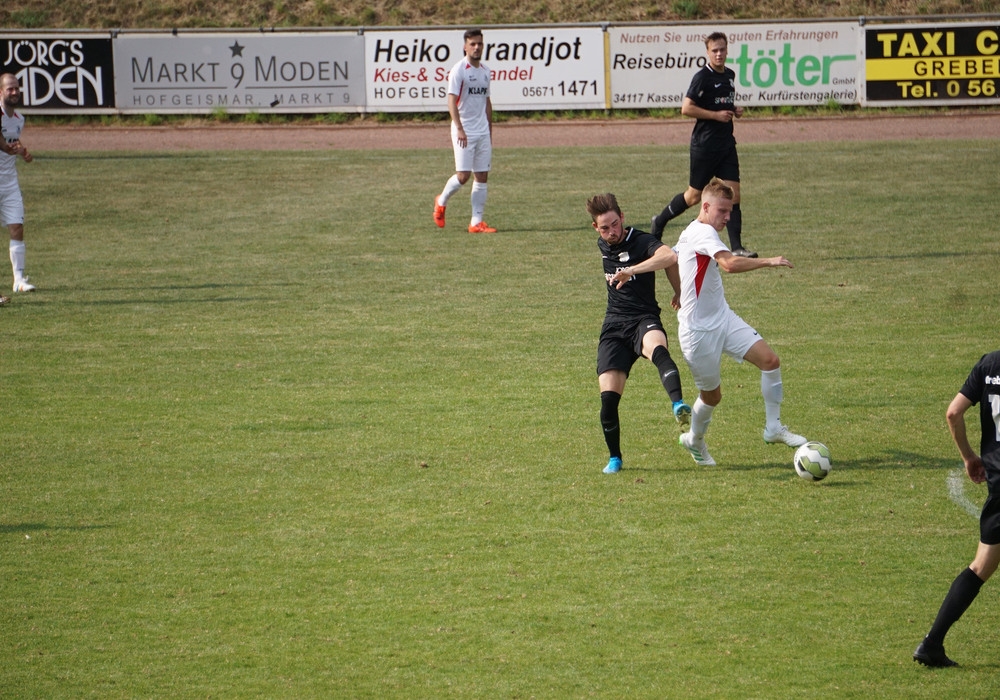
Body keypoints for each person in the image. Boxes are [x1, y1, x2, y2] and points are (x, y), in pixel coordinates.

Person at [668, 178, 804, 467]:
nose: (728, 217)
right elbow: (729, 264)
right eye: (722, 211)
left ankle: (773, 428)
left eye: (730, 211)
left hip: (723, 318)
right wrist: (769, 261)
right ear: (705, 207)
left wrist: (680, 290)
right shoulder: (703, 232)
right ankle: (695, 440)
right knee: (712, 396)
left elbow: (672, 258)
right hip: (698, 333)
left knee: (770, 360)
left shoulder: (691, 231)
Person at [591, 193, 691, 475]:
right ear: (596, 229)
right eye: (604, 228)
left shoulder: (641, 240)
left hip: (644, 318)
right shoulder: (604, 243)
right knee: (608, 400)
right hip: (614, 327)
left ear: (622, 217)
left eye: (615, 224)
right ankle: (615, 458)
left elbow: (669, 257)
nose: (612, 232)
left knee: (658, 350)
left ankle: (678, 404)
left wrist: (676, 290)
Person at [913, 349, 1000, 668]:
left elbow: (953, 413)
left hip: (998, 484)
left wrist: (968, 457)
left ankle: (931, 643)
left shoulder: (990, 364)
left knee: (981, 566)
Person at [650, 32, 756, 259]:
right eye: (714, 50)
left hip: (726, 145)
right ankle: (660, 220)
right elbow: (686, 108)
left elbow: (720, 101)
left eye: (722, 49)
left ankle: (737, 247)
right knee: (693, 197)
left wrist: (734, 109)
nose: (719, 54)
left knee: (734, 195)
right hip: (705, 146)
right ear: (707, 52)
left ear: (727, 50)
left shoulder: (729, 75)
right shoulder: (702, 77)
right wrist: (716, 115)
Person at [433, 29, 496, 234]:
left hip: (482, 131)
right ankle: (441, 201)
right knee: (463, 176)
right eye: (472, 44)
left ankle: (476, 222)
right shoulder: (459, 70)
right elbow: (451, 101)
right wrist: (459, 128)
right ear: (465, 46)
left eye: (479, 44)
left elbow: (487, 101)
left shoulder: (485, 71)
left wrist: (489, 130)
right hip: (464, 131)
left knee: (482, 175)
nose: (476, 47)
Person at [0, 73, 35, 293]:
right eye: (9, 89)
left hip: (10, 181)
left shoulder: (19, 119)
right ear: (0, 92)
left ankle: (19, 281)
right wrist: (6, 147)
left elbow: (12, 140)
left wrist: (22, 152)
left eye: (16, 88)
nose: (14, 92)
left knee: (16, 227)